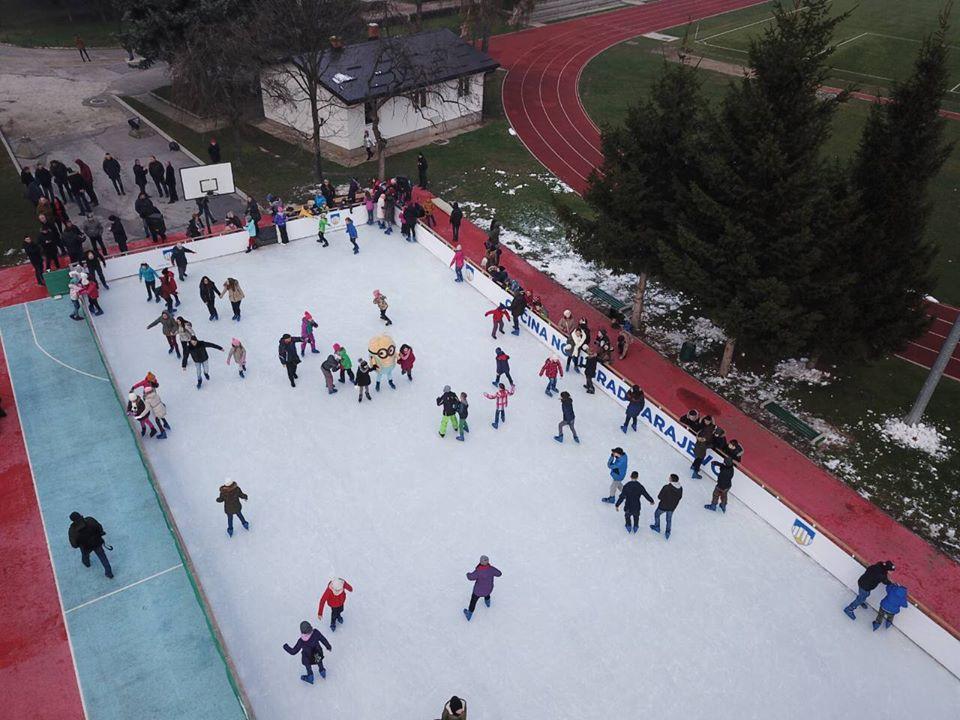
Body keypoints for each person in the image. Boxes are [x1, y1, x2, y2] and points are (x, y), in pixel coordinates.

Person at [68, 511, 113, 578]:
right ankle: (109, 573)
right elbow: (99, 527)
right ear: (80, 515)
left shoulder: (72, 530)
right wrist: (100, 534)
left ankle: (87, 563)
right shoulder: (89, 520)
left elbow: (74, 544)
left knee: (85, 555)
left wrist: (79, 545)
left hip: (85, 547)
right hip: (97, 542)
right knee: (103, 558)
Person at [463, 555, 501, 621]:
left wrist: (468, 574)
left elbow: (470, 577)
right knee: (487, 594)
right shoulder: (491, 569)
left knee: (473, 602)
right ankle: (488, 603)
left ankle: (469, 614)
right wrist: (492, 569)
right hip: (488, 589)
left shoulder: (478, 571)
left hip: (477, 591)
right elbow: (499, 573)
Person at [650, 474, 683, 539]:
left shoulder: (666, 487)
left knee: (657, 514)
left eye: (669, 477)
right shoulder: (680, 488)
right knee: (669, 520)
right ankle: (667, 532)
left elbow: (659, 497)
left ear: (671, 479)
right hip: (672, 507)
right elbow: (680, 497)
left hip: (663, 506)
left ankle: (657, 527)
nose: (669, 478)